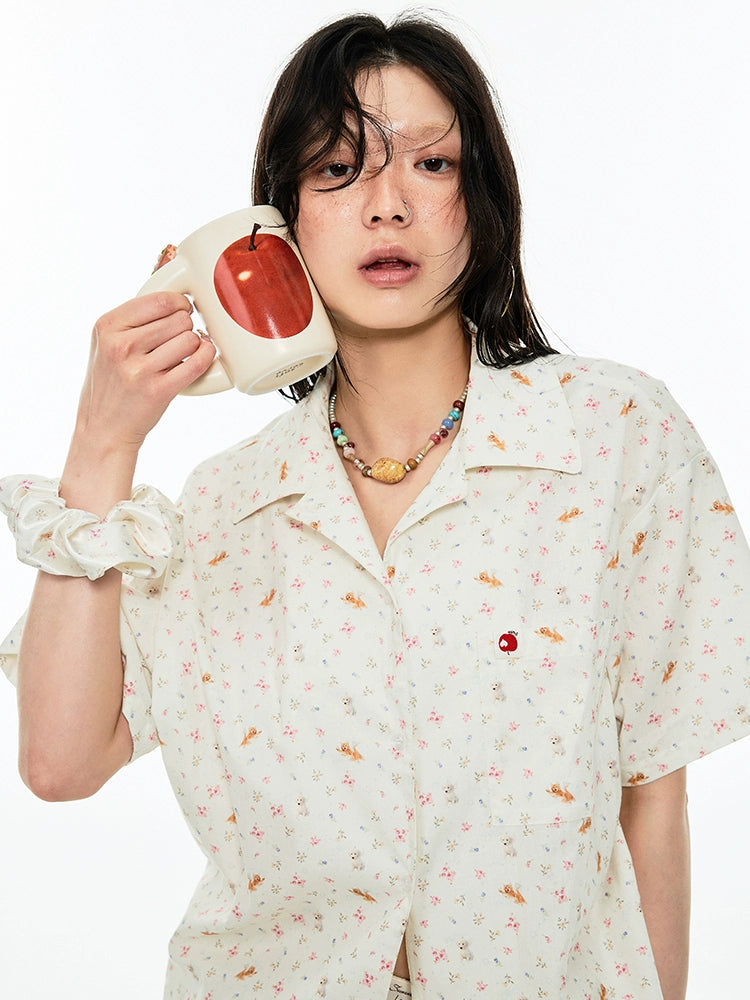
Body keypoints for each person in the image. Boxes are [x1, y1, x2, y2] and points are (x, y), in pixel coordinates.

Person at [1, 11, 748, 1000]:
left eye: (432, 165)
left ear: (483, 198)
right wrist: (103, 442)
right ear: (277, 226)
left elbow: (652, 793)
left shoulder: (612, 439)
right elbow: (59, 762)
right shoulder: (222, 511)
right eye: (339, 170)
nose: (388, 206)